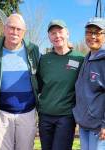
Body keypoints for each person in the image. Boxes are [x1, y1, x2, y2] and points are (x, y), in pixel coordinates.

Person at [0, 13, 40, 150]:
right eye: (11, 27)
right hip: (1, 114)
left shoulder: (34, 51)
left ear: (24, 32)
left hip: (27, 113)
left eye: (18, 29)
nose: (14, 32)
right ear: (4, 29)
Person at [37, 20, 84, 150]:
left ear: (67, 33)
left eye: (60, 32)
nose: (57, 36)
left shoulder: (80, 59)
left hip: (66, 117)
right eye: (53, 33)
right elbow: (38, 85)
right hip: (45, 116)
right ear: (49, 37)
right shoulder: (44, 60)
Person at [73, 17, 105, 150]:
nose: (92, 36)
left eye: (97, 33)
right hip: (84, 124)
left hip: (99, 128)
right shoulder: (87, 58)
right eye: (88, 32)